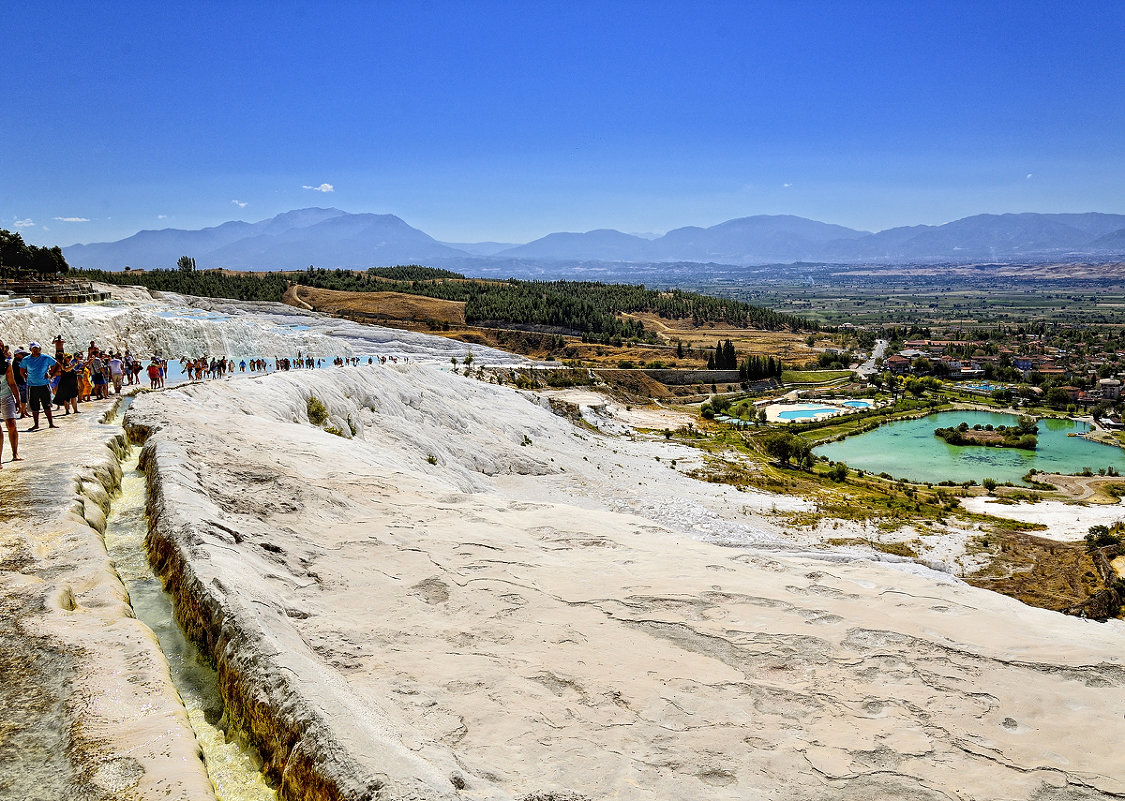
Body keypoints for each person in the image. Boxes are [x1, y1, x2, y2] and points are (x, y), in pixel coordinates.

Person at [20, 342, 58, 431]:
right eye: (33, 348)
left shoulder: (45, 357)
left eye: (37, 348)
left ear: (40, 349)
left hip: (44, 385)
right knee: (34, 406)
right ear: (30, 350)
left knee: (47, 405)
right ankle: (36, 424)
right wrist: (27, 378)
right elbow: (21, 371)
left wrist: (51, 375)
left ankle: (51, 424)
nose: (35, 350)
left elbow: (57, 365)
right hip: (32, 386)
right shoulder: (26, 359)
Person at [0, 346, 21, 465]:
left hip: (5, 395)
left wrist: (18, 400)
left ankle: (15, 453)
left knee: (11, 424)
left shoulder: (6, 364)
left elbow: (12, 383)